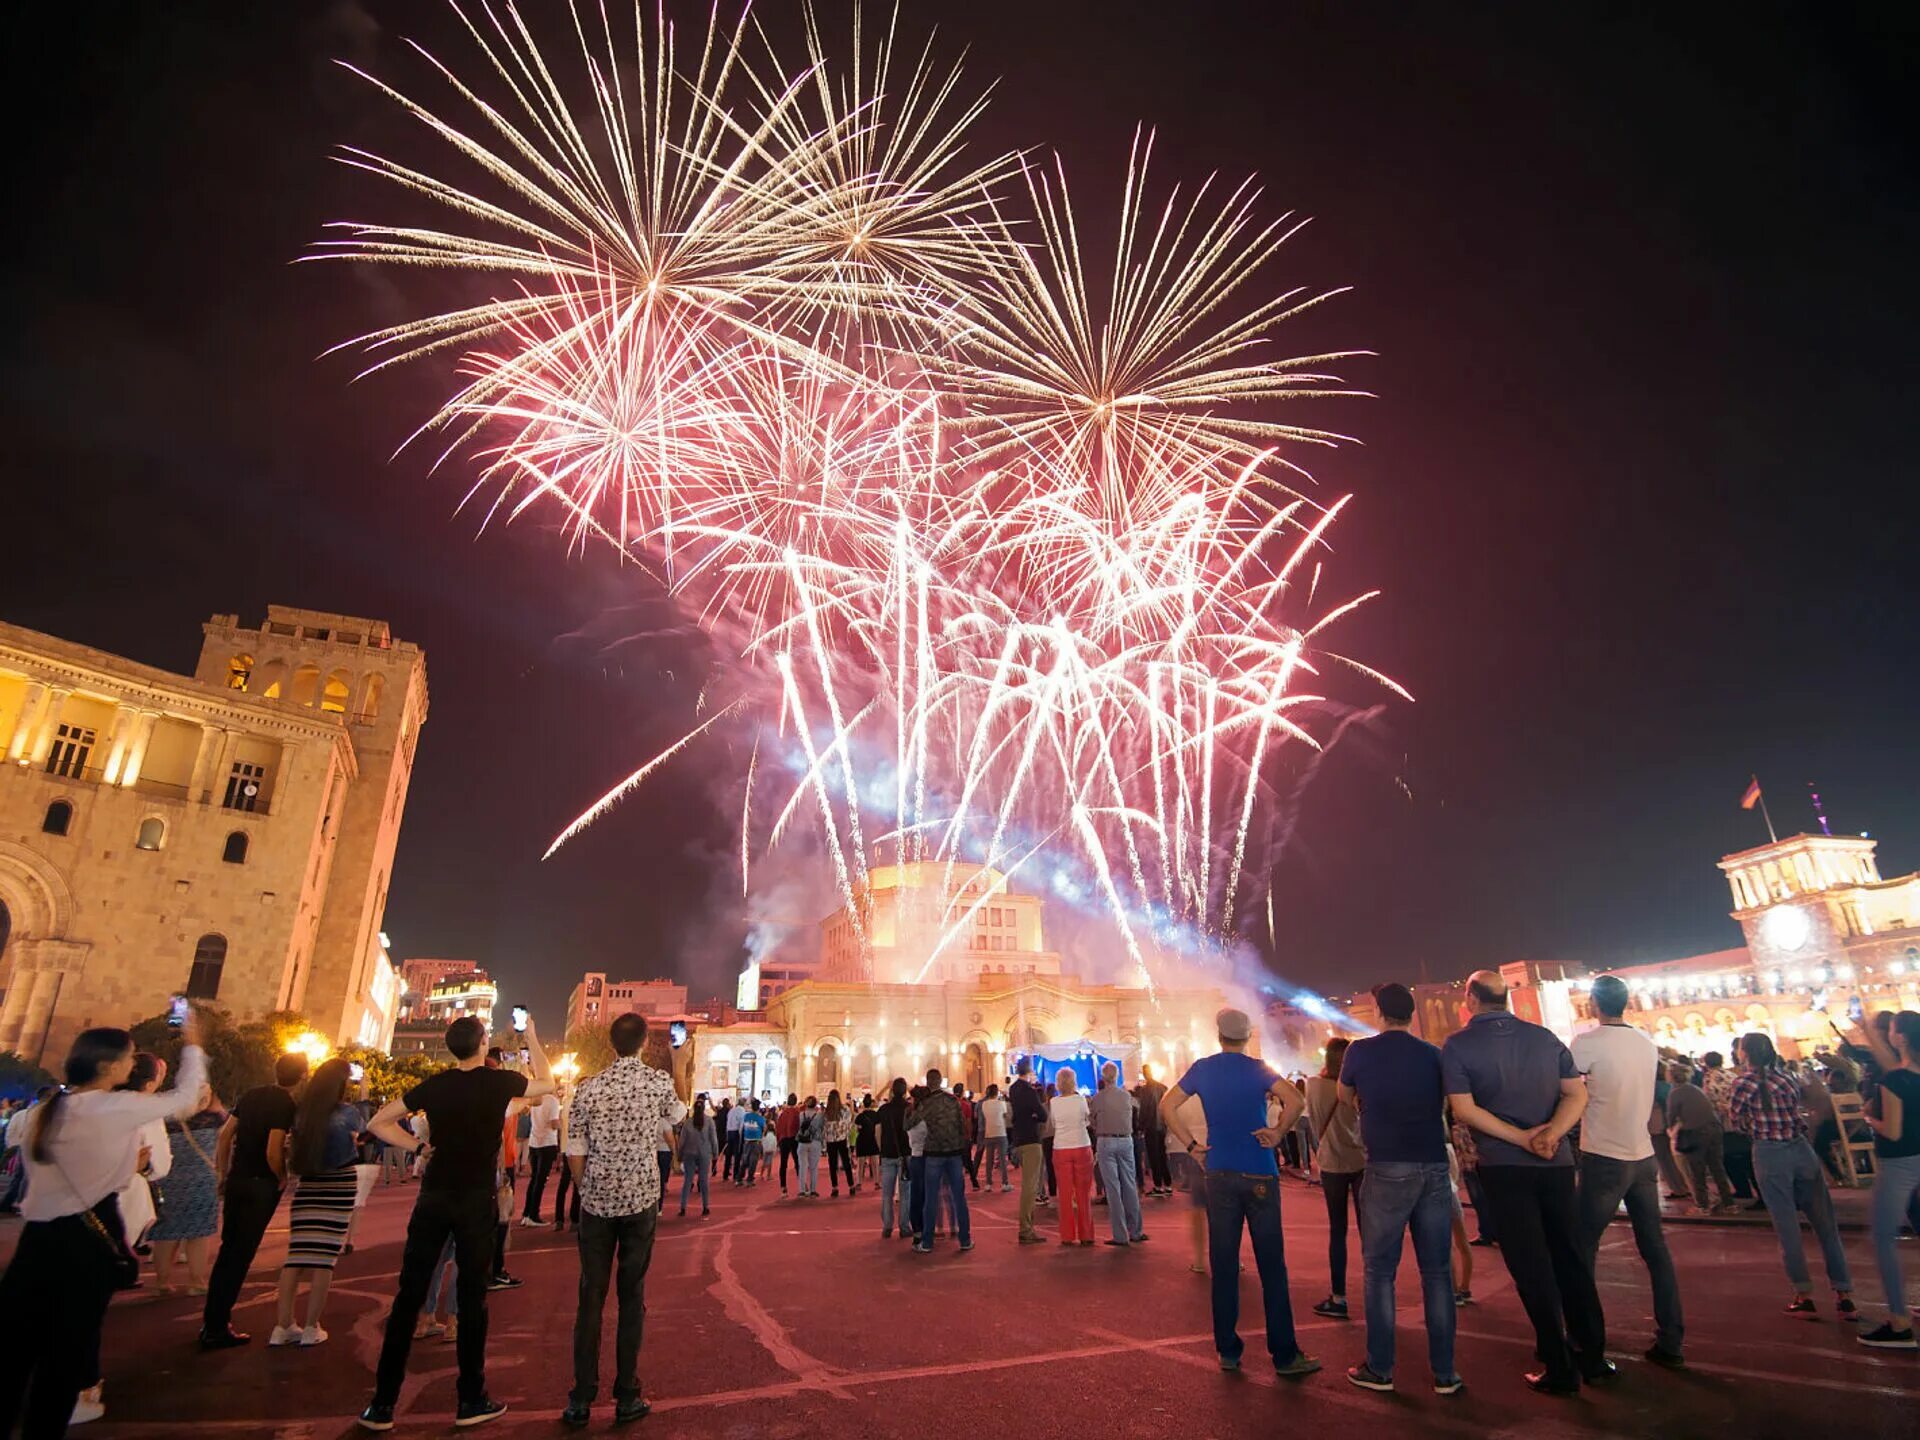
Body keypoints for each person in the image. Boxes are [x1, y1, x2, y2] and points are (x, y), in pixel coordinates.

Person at [0, 1016, 209, 1437]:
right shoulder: (114, 1108)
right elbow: (187, 1098)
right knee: (65, 1351)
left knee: (15, 1348)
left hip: (37, 1240)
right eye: (129, 1059)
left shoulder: (47, 1110)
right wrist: (193, 1044)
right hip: (85, 1238)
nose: (132, 1066)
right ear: (108, 1066)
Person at [356, 1013, 555, 1431]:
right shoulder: (497, 1082)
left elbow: (378, 1122)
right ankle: (470, 1397)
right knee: (471, 1298)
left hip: (433, 1197)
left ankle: (382, 1404)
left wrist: (419, 1147)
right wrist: (533, 1036)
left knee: (409, 1296)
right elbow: (547, 1082)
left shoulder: (437, 1085)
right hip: (474, 1199)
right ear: (483, 1045)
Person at [1441, 970, 1609, 1395]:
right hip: (1556, 1164)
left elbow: (1463, 1109)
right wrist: (1550, 1134)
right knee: (1570, 1257)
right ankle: (1592, 1356)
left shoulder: (1459, 1046)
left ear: (1471, 998)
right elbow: (1577, 1095)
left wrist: (1520, 1138)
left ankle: (1557, 1364)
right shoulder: (1545, 1038)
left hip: (1505, 1167)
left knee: (1531, 1266)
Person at [1163, 1009, 1317, 1378]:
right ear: (1247, 1036)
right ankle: (1284, 1354)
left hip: (1218, 1171)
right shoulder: (1258, 1068)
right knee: (1271, 1266)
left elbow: (1167, 1105)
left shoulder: (1202, 1068)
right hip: (1259, 1170)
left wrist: (1191, 1145)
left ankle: (1228, 1350)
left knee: (1224, 1263)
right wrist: (1278, 1132)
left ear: (1219, 1035)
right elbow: (1295, 1100)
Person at [560, 1012, 688, 1426]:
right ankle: (627, 1393)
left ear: (612, 1044)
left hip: (596, 1203)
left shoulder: (588, 1088)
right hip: (640, 1200)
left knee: (590, 1297)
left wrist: (586, 1189)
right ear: (645, 1045)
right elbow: (680, 1114)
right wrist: (680, 1064)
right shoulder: (656, 1083)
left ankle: (580, 1397)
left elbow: (575, 1149)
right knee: (631, 1295)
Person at [1337, 983, 1462, 1396]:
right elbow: (1446, 1102)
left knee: (1379, 1272)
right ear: (1410, 1015)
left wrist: (1366, 1104)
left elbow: (1344, 1094)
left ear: (1378, 1012)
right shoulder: (1432, 1054)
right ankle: (1445, 1373)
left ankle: (1381, 1368)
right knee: (1438, 1273)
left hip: (1387, 1165)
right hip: (1433, 1165)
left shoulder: (1359, 1051)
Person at [1570, 975, 1684, 1368]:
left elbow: (1568, 1089)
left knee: (1581, 1250)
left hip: (1604, 1156)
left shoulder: (1587, 1043)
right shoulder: (1645, 1042)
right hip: (1642, 1154)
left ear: (1593, 1003)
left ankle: (1587, 1344)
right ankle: (1671, 1339)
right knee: (1655, 1250)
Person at [1729, 1031, 1856, 1320]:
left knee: (1788, 1228)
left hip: (1770, 1153)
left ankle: (1803, 1293)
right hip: (1800, 1150)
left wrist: (1759, 1129)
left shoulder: (1743, 1083)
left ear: (1745, 1053)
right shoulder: (1787, 1077)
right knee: (1825, 1224)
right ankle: (1844, 1293)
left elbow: (1737, 1122)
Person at [201, 1050, 307, 1347]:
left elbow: (225, 1136)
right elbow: (273, 1149)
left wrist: (223, 1172)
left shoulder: (252, 1095)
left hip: (237, 1178)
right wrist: (281, 1175)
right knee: (240, 1255)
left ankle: (213, 1320)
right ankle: (217, 1327)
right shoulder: (284, 1103)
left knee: (228, 1251)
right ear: (301, 1076)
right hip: (260, 1184)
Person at [272, 1057, 363, 1347]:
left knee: (296, 1254)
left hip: (308, 1183)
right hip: (339, 1183)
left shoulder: (302, 1114)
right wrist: (363, 1093)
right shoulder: (347, 1113)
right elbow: (361, 1131)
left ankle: (283, 1325)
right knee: (325, 1257)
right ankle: (312, 1326)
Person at [1858, 1011, 1920, 1349]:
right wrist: (1867, 1031)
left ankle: (1899, 1322)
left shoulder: (1895, 1081)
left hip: (1898, 1164)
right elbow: (1890, 1063)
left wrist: (1869, 1116)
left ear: (1902, 1038)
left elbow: (1892, 1131)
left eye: (1893, 1030)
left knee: (1883, 1240)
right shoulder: (1905, 1076)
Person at [1305, 1036, 1364, 1322]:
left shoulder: (1314, 1086)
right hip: (1361, 1160)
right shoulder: (1356, 1086)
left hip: (1330, 1161)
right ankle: (1378, 1291)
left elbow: (1313, 1123)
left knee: (1337, 1230)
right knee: (1370, 1230)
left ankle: (1339, 1297)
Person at [150, 1090, 223, 1294]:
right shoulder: (213, 1119)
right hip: (202, 1181)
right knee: (199, 1234)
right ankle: (196, 1281)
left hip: (168, 1180)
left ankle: (162, 1282)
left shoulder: (166, 1119)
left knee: (166, 1232)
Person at [912, 1070, 973, 1252]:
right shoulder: (953, 1100)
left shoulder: (926, 1104)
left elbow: (909, 1123)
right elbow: (962, 1125)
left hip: (934, 1154)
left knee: (931, 1199)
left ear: (928, 1083)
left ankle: (928, 1242)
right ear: (940, 1081)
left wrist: (914, 1105)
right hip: (954, 1153)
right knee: (959, 1197)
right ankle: (965, 1240)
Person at [1089, 1063, 1146, 1247]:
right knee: (1129, 1184)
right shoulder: (1126, 1096)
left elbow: (1092, 1121)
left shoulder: (1097, 1098)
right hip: (1125, 1140)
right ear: (1117, 1075)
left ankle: (1120, 1235)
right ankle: (1136, 1231)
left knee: (1113, 1189)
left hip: (1106, 1141)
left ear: (1103, 1077)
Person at [1665, 1061, 1734, 1211]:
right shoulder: (1695, 1089)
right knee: (1717, 1168)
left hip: (1695, 1132)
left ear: (1671, 1077)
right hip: (1714, 1128)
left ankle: (1703, 1205)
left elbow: (1671, 1116)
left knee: (1697, 1170)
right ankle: (1729, 1203)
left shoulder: (1675, 1093)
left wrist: (1671, 1130)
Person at [1701, 1051, 1760, 1205]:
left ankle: (1742, 1189)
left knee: (1730, 1159)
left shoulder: (1709, 1079)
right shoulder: (1732, 1075)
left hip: (1725, 1123)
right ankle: (1759, 1190)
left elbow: (1709, 1102)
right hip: (1741, 1120)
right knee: (1748, 1158)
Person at [1048, 1069, 1096, 1246]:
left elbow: (1053, 1123)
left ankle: (1067, 1235)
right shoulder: (1081, 1100)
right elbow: (1087, 1120)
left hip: (1061, 1147)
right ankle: (1086, 1234)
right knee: (1083, 1193)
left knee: (1065, 1194)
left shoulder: (1053, 1102)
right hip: (1082, 1145)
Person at [1008, 1059, 1049, 1243]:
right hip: (1031, 1139)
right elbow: (1042, 1114)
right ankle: (1026, 1229)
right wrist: (1034, 1114)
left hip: (1018, 1138)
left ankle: (1027, 1227)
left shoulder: (1014, 1089)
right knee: (1030, 1187)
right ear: (1030, 1071)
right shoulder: (1029, 1091)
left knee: (1028, 1184)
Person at [520, 1090, 562, 1226]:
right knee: (541, 1180)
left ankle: (526, 1213)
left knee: (534, 1180)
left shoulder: (535, 1098)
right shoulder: (553, 1101)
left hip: (534, 1141)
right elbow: (554, 1123)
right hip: (547, 1142)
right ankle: (533, 1214)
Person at [876, 1078, 911, 1238]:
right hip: (905, 1155)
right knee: (905, 1193)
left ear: (891, 1091)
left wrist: (885, 1087)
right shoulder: (909, 1109)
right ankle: (904, 1227)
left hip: (888, 1154)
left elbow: (877, 1128)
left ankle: (887, 1227)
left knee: (887, 1193)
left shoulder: (884, 1109)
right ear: (905, 1092)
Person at [1135, 1065, 1173, 1197]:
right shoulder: (1162, 1087)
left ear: (1144, 1074)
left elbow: (1144, 1110)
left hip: (1151, 1126)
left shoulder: (1145, 1090)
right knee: (1162, 1155)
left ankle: (1158, 1186)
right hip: (1162, 1126)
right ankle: (1168, 1184)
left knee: (1153, 1156)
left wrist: (1140, 1126)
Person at [677, 1098, 718, 1216]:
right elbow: (713, 1139)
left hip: (689, 1154)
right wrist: (715, 1154)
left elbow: (682, 1141)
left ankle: (683, 1207)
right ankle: (705, 1207)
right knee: (704, 1180)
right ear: (704, 1109)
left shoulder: (688, 1122)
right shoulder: (709, 1121)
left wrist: (680, 1154)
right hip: (704, 1154)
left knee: (687, 1180)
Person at [823, 1089, 855, 1196]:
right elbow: (849, 1124)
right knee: (846, 1163)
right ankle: (851, 1186)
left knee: (832, 1165)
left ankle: (835, 1188)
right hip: (842, 1139)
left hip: (830, 1141)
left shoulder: (826, 1112)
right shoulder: (845, 1110)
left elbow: (823, 1128)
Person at [979, 1083, 1010, 1192]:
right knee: (1002, 1159)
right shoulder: (1002, 1103)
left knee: (989, 1160)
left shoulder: (984, 1104)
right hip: (1001, 1133)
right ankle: (1005, 1183)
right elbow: (1005, 1116)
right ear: (997, 1092)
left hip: (989, 1133)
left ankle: (988, 1183)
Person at [795, 1096, 823, 1197]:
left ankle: (802, 1190)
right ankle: (813, 1190)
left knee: (802, 1166)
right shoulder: (819, 1116)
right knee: (813, 1167)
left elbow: (799, 1127)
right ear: (816, 1104)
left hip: (802, 1142)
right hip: (815, 1141)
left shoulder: (801, 1114)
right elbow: (821, 1128)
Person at [775, 1093, 801, 1194]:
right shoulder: (797, 1112)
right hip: (794, 1139)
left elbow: (779, 1127)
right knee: (798, 1163)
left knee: (783, 1164)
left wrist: (778, 1140)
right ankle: (802, 1185)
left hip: (783, 1139)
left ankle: (783, 1187)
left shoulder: (783, 1113)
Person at [854, 1094, 881, 1188]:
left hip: (862, 1140)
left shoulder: (860, 1116)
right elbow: (878, 1129)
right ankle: (877, 1182)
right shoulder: (875, 1115)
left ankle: (859, 1183)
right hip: (872, 1139)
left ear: (863, 1104)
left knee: (861, 1163)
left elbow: (857, 1129)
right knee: (875, 1163)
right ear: (871, 1104)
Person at [738, 1101, 766, 1187]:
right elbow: (764, 1129)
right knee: (753, 1162)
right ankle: (749, 1180)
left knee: (744, 1160)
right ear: (758, 1108)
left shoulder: (746, 1116)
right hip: (756, 1141)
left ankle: (739, 1179)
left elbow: (742, 1127)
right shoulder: (760, 1118)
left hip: (746, 1140)